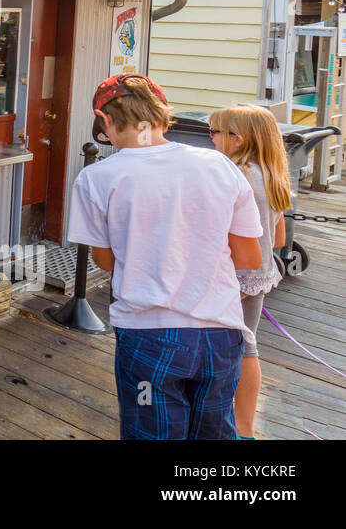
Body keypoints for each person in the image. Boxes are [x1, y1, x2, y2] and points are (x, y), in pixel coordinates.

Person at [67, 74, 264, 440]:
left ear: (104, 119)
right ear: (164, 114)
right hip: (220, 334)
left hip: (148, 336)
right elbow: (249, 256)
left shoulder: (97, 178)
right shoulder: (220, 165)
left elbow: (106, 262)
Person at [208, 104, 289, 440]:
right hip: (258, 276)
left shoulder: (234, 176)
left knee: (214, 346)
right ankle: (244, 428)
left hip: (230, 276)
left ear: (236, 140)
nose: (210, 139)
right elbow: (280, 237)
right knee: (246, 345)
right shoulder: (270, 175)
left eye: (213, 132)